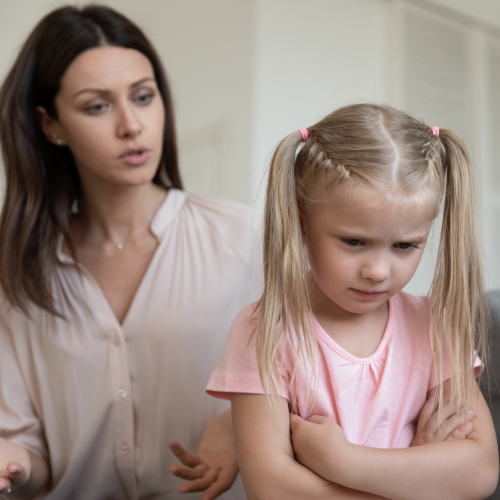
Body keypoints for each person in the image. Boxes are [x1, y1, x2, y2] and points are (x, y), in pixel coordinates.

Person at [0, 5, 259, 499]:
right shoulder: (19, 274)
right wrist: (12, 462)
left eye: (143, 97)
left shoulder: (246, 237)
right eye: (97, 106)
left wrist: (239, 419)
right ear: (51, 125)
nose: (131, 125)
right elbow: (32, 460)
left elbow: (324, 385)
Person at [206, 104, 499, 499]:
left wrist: (343, 461)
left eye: (405, 245)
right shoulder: (264, 330)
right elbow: (273, 490)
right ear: (302, 221)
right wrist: (420, 477)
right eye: (354, 242)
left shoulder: (435, 326)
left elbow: (479, 471)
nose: (378, 270)